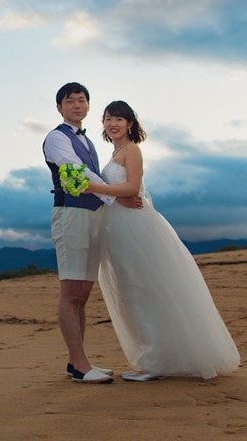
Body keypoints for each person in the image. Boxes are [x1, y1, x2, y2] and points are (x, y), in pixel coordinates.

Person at [90, 100, 241, 381]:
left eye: (119, 119)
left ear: (130, 124)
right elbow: (123, 192)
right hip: (118, 226)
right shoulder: (116, 153)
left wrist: (94, 187)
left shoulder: (132, 150)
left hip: (134, 227)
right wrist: (115, 195)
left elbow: (133, 187)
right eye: (108, 118)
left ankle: (154, 364)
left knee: (143, 290)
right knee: (131, 292)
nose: (112, 124)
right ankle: (151, 359)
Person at [42, 82, 142, 384]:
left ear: (88, 105)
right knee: (71, 291)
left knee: (82, 294)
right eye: (70, 101)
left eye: (82, 100)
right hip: (71, 215)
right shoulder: (56, 138)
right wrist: (118, 197)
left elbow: (92, 176)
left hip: (93, 216)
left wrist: (111, 199)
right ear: (59, 107)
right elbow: (76, 172)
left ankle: (78, 361)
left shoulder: (88, 141)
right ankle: (79, 364)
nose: (77, 105)